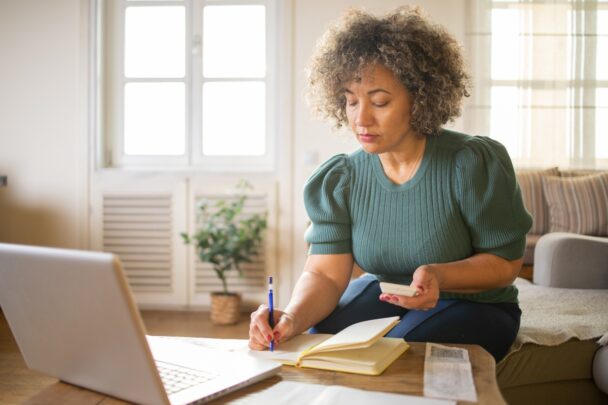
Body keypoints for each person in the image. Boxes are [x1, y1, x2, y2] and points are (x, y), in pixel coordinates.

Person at [249, 6, 532, 362]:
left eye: (379, 101)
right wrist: (288, 318)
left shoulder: (471, 163)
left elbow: (505, 264)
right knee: (318, 338)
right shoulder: (341, 178)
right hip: (386, 293)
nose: (361, 118)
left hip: (475, 304)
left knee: (398, 353)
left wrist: (438, 276)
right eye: (351, 101)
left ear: (420, 98)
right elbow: (324, 273)